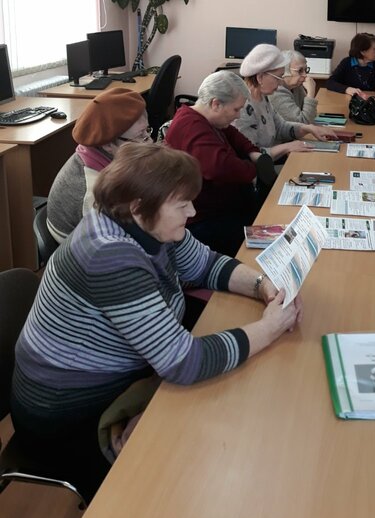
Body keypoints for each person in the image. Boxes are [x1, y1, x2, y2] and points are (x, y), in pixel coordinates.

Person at [11, 142, 302, 499]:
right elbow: (183, 362)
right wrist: (269, 328)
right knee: (186, 470)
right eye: (182, 205)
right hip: (67, 413)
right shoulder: (109, 256)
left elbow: (206, 264)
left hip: (119, 372)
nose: (192, 211)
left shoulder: (147, 224)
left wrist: (262, 285)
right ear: (138, 207)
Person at [165, 70, 265, 256]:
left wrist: (252, 152)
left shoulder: (206, 118)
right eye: (236, 109)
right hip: (204, 220)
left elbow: (234, 135)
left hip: (222, 209)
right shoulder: (191, 127)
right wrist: (255, 168)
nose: (238, 116)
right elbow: (223, 168)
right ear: (216, 104)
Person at [46, 87, 151, 243]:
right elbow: (112, 244)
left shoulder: (100, 154)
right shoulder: (95, 192)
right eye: (140, 136)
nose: (150, 141)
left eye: (147, 131)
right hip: (85, 246)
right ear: (108, 145)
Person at [233, 44, 338, 160]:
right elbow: (251, 154)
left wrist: (308, 128)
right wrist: (287, 147)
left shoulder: (263, 97)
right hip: (260, 168)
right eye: (278, 77)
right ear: (260, 77)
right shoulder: (242, 108)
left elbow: (280, 127)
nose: (280, 83)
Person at [326, 32, 375, 98]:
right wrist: (347, 89)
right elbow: (330, 82)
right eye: (374, 48)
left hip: (372, 101)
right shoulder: (346, 63)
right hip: (350, 101)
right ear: (363, 52)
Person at [269, 50, 318, 124]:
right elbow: (303, 122)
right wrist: (311, 93)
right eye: (300, 71)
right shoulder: (276, 92)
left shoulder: (296, 87)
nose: (305, 75)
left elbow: (311, 115)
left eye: (306, 70)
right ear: (284, 71)